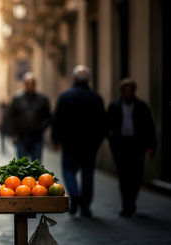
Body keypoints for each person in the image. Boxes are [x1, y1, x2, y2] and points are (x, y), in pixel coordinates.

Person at [50, 65, 105, 217]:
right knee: (88, 174)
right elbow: (102, 122)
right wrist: (98, 142)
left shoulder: (65, 96)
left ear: (74, 79)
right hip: (90, 144)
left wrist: (55, 139)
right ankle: (85, 207)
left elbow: (57, 119)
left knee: (68, 171)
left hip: (69, 143)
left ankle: (74, 194)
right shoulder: (96, 97)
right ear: (88, 80)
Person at [107, 78, 156, 217]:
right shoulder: (114, 106)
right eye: (124, 91)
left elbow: (149, 127)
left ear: (133, 91)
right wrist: (112, 139)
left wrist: (152, 145)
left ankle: (132, 200)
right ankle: (126, 205)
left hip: (137, 145)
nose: (126, 94)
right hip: (121, 145)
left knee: (136, 175)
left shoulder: (142, 106)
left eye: (128, 91)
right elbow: (107, 125)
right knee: (123, 176)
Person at [7, 72, 51, 162]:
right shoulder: (17, 99)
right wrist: (12, 134)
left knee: (36, 164)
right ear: (24, 84)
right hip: (21, 138)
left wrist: (41, 127)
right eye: (28, 84)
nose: (30, 86)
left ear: (35, 85)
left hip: (37, 138)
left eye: (32, 84)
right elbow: (11, 117)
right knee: (22, 165)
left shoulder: (42, 99)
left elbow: (48, 117)